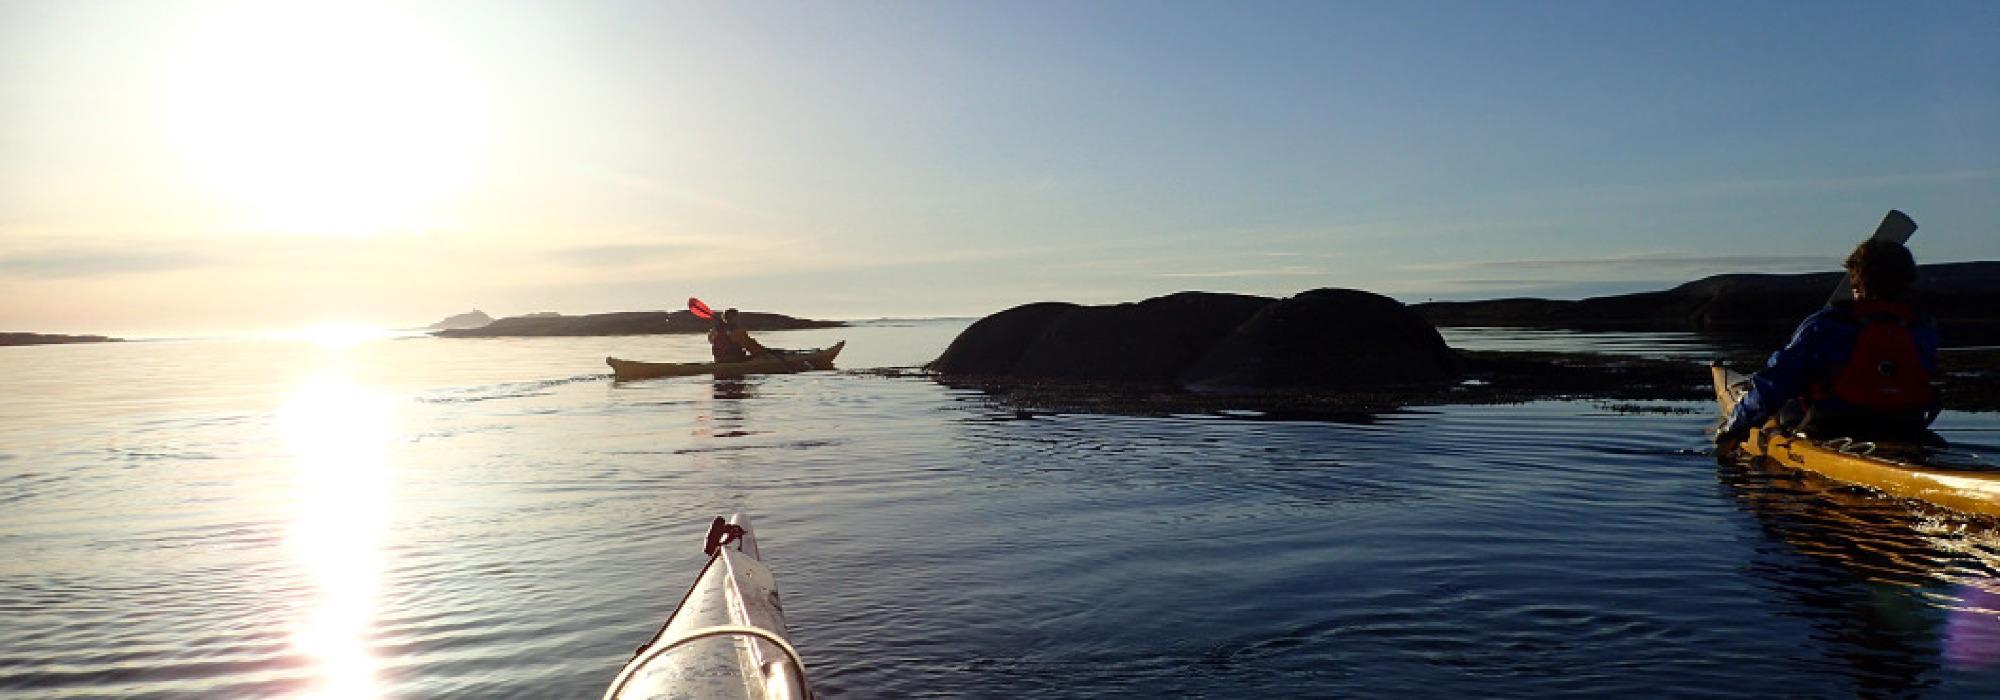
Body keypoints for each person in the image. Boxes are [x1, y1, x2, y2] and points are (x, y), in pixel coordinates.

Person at [1716, 239, 1940, 447]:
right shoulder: (1922, 328)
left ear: (1856, 283)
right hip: (1905, 427)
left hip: (1832, 430)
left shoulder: (1825, 325)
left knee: (1784, 405)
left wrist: (1733, 427)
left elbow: (1776, 383)